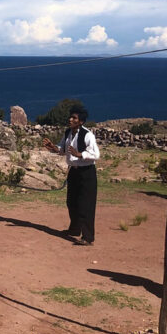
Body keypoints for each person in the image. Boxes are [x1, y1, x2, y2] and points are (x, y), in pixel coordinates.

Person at [42, 105, 100, 246]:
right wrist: (53, 147)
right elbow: (63, 149)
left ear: (81, 121)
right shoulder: (68, 132)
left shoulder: (88, 135)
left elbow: (96, 155)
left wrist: (80, 154)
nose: (70, 119)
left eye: (74, 118)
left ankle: (87, 237)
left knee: (86, 205)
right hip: (74, 171)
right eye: (71, 117)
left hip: (86, 173)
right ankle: (74, 229)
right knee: (71, 202)